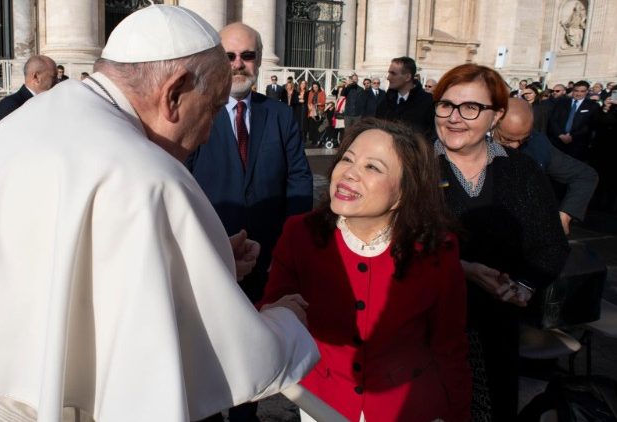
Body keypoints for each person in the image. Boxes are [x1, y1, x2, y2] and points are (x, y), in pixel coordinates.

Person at [0, 6, 319, 421]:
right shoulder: (147, 174)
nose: (206, 135)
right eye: (211, 109)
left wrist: (206, 259)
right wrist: (282, 325)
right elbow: (169, 362)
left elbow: (69, 268)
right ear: (175, 91)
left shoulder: (43, 112)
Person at [260, 118, 471, 422]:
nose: (349, 173)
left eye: (372, 167)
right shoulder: (300, 234)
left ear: (403, 193)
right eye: (347, 159)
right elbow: (274, 315)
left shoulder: (438, 248)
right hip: (323, 405)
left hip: (407, 407)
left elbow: (449, 346)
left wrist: (458, 415)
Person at [184, 22, 314, 421]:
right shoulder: (194, 112)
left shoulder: (278, 115)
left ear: (258, 59)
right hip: (209, 258)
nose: (239, 65)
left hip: (266, 259)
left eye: (248, 56)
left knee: (251, 349)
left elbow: (299, 180)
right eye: (229, 56)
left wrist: (287, 250)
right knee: (204, 350)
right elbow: (179, 181)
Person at [433, 64, 569, 421]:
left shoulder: (521, 171)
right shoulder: (413, 167)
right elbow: (387, 243)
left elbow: (551, 245)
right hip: (425, 331)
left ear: (496, 115)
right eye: (446, 105)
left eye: (471, 108)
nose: (455, 118)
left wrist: (525, 285)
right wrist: (459, 269)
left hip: (497, 332)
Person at [494, 98, 598, 234]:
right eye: (507, 139)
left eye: (523, 139)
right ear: (493, 123)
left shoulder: (538, 143)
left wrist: (564, 216)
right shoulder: (469, 142)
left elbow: (584, 176)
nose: (516, 145)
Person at [376, 56, 435, 141]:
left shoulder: (428, 102)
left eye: (393, 73)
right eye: (389, 73)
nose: (388, 77)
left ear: (407, 77)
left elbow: (432, 135)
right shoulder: (384, 102)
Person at [547, 80, 601, 161]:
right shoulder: (561, 102)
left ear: (587, 92)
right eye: (576, 91)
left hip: (577, 144)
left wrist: (572, 136)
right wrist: (560, 135)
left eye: (582, 91)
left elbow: (590, 125)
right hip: (557, 141)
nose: (578, 94)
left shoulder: (593, 106)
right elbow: (553, 120)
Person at [0, 55, 57, 123]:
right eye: (53, 77)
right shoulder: (10, 105)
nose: (57, 81)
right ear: (36, 77)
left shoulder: (52, 102)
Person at [307, 81, 326, 145]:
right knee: (312, 126)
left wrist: (318, 104)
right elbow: (309, 101)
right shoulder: (310, 93)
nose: (315, 88)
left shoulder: (322, 93)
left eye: (316, 87)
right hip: (312, 110)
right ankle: (313, 140)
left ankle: (318, 139)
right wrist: (310, 107)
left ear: (318, 87)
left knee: (318, 126)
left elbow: (323, 102)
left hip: (319, 111)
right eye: (313, 87)